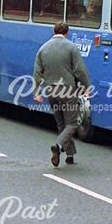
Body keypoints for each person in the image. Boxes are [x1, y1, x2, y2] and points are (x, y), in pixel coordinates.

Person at [33, 22, 92, 167]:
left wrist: (37, 93)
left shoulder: (43, 48)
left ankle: (69, 155)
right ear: (67, 32)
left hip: (50, 90)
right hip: (67, 90)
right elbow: (79, 70)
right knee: (72, 123)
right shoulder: (71, 47)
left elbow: (37, 73)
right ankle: (58, 145)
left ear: (54, 31)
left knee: (61, 123)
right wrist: (87, 86)